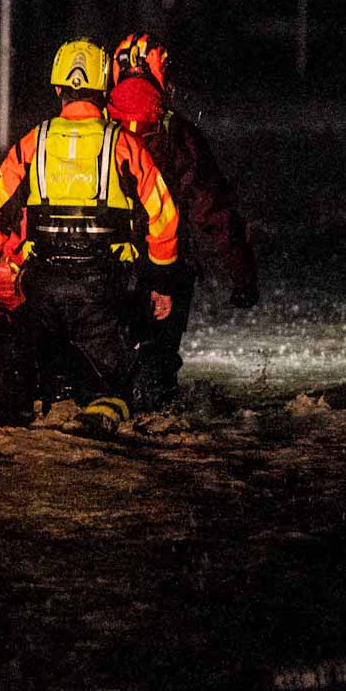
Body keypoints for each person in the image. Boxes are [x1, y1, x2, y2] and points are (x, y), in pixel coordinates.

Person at [0, 39, 180, 435]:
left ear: (58, 88)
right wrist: (161, 285)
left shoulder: (31, 144)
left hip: (42, 290)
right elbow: (163, 218)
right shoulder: (124, 145)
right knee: (118, 389)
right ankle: (102, 410)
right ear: (104, 89)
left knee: (9, 387)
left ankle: (16, 401)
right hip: (104, 293)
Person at [106, 32, 260, 411]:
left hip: (102, 265)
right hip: (168, 268)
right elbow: (212, 210)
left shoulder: (94, 132)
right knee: (158, 368)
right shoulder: (180, 135)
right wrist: (242, 275)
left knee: (105, 361)